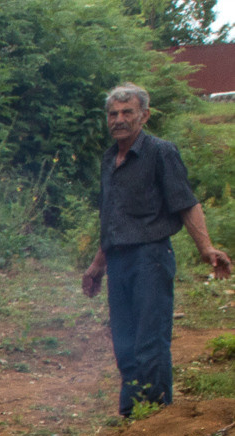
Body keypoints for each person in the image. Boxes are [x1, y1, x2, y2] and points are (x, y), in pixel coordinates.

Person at [83, 82, 233, 417]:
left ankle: (154, 417)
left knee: (149, 341)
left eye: (127, 113)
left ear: (144, 116)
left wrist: (206, 247)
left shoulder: (160, 152)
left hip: (150, 258)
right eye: (113, 114)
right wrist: (97, 266)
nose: (119, 119)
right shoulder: (109, 159)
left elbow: (187, 204)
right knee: (124, 342)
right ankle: (131, 415)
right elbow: (112, 221)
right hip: (119, 261)